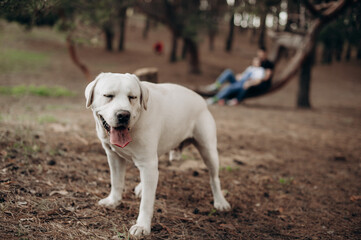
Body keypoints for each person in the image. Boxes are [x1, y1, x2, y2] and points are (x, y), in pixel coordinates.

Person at [206, 47, 274, 106]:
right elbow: (244, 75)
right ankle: (216, 85)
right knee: (228, 71)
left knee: (229, 87)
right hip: (241, 81)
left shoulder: (260, 70)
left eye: (256, 61)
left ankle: (214, 99)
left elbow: (260, 79)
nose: (254, 61)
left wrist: (249, 82)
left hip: (245, 83)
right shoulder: (250, 68)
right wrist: (240, 76)